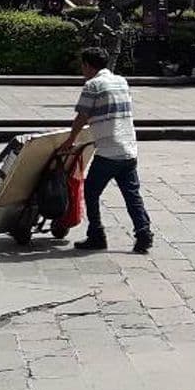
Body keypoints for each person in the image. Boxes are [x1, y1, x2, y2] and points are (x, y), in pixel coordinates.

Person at [61, 47, 153, 254]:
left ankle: (96, 235)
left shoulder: (92, 85)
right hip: (128, 149)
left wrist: (70, 139)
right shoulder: (121, 81)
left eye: (82, 65)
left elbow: (82, 116)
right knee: (132, 195)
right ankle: (144, 233)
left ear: (88, 65)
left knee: (91, 192)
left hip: (108, 152)